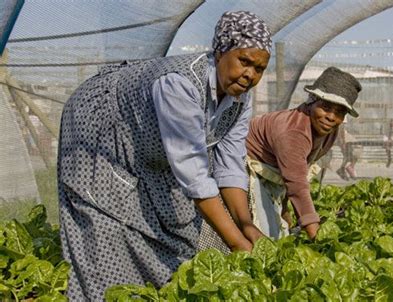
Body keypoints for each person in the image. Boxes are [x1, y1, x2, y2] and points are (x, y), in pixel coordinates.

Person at [57, 11, 271, 300]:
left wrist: (247, 227)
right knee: (108, 230)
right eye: (244, 61)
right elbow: (195, 175)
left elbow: (229, 164)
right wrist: (236, 243)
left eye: (259, 68)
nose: (250, 75)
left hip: (149, 146)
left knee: (176, 229)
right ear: (221, 51)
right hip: (98, 135)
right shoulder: (180, 84)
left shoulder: (239, 99)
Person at [242, 67, 362, 240]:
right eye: (326, 107)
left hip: (273, 172)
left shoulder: (329, 131)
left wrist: (285, 210)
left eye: (339, 112)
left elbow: (295, 172)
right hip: (247, 166)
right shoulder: (292, 132)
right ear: (311, 101)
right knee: (263, 237)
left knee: (281, 230)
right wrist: (317, 239)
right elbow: (296, 184)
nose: (331, 117)